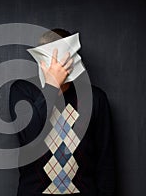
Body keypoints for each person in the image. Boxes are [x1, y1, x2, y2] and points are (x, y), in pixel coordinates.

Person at [9, 29, 115, 196]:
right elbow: (30, 138)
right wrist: (52, 86)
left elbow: (105, 161)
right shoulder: (22, 91)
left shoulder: (96, 98)